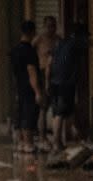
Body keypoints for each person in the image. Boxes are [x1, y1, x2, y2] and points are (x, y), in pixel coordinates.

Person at [49, 23, 85, 151]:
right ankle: (56, 143)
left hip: (55, 82)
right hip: (65, 83)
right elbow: (91, 43)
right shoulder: (75, 43)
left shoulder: (61, 43)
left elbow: (50, 61)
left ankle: (63, 140)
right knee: (60, 113)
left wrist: (49, 80)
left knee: (62, 112)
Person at [10, 20, 43, 153]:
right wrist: (38, 92)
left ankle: (21, 143)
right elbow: (32, 72)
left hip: (19, 86)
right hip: (29, 87)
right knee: (29, 115)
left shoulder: (14, 50)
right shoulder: (29, 51)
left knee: (21, 113)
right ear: (32, 32)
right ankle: (29, 144)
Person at [32, 16, 61, 150]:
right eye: (48, 26)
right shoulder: (39, 40)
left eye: (53, 26)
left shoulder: (58, 40)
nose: (51, 29)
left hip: (56, 75)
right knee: (43, 107)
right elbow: (30, 53)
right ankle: (42, 137)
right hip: (42, 74)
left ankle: (57, 138)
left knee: (56, 108)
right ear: (44, 26)